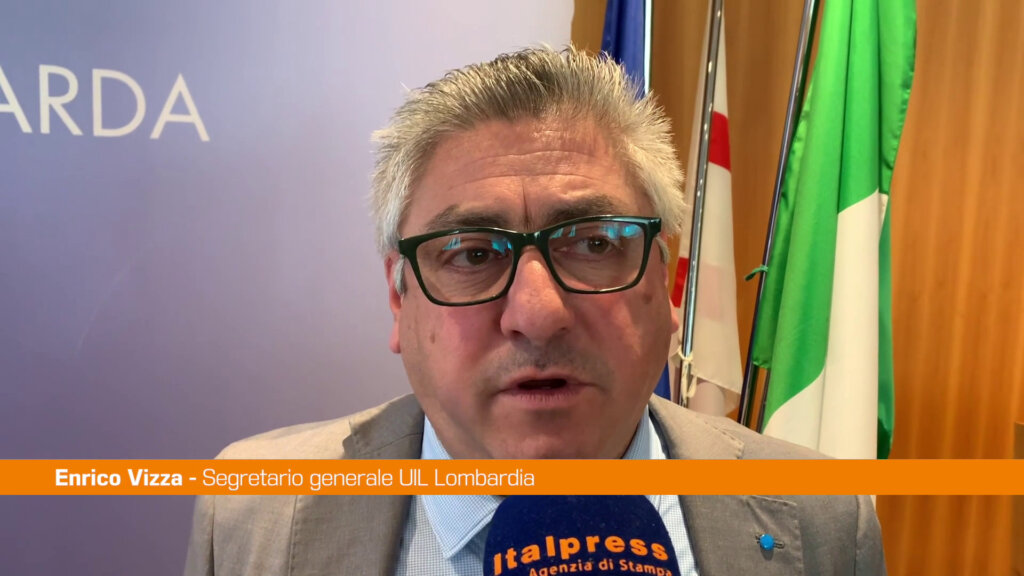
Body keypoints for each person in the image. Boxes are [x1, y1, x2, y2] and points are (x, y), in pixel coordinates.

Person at [184, 46, 884, 576]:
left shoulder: (822, 517)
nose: (538, 313)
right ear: (400, 297)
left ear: (665, 285)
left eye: (594, 244)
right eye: (472, 253)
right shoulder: (252, 510)